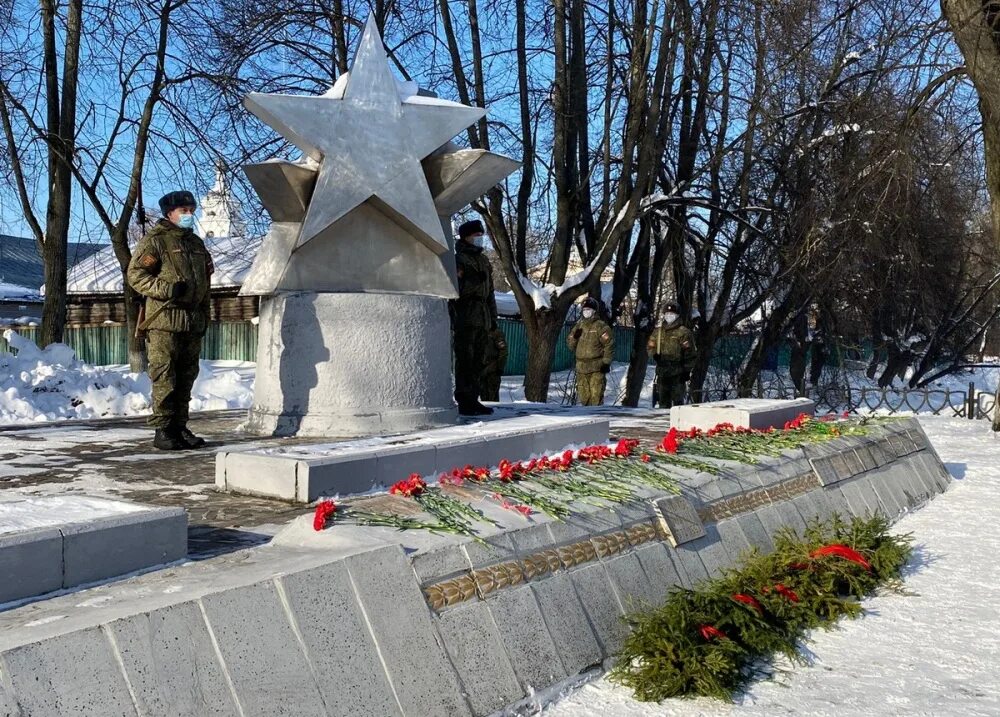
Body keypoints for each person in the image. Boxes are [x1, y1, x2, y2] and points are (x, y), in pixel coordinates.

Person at [127, 190, 214, 450]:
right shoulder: (155, 241)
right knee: (165, 375)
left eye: (191, 210)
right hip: (164, 319)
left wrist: (205, 315)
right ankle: (163, 429)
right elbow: (135, 274)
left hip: (192, 319)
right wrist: (165, 289)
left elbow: (205, 284)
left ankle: (179, 426)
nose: (189, 214)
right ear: (169, 214)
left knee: (187, 376)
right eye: (183, 211)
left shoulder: (196, 244)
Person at [451, 219, 498, 415]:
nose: (480, 239)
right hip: (466, 315)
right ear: (466, 237)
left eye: (481, 236)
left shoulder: (483, 260)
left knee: (480, 359)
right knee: (466, 359)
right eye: (476, 236)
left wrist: (492, 318)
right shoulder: (459, 259)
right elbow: (457, 289)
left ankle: (474, 398)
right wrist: (473, 282)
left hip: (483, 316)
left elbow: (490, 293)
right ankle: (464, 399)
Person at [647, 302, 697, 409]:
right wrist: (654, 354)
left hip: (678, 374)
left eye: (672, 313)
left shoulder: (683, 333)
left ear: (677, 315)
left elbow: (690, 354)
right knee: (663, 404)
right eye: (667, 313)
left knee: (678, 405)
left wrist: (687, 371)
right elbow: (650, 346)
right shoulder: (658, 332)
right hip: (662, 373)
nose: (669, 316)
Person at [567, 297, 614, 406]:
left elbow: (609, 345)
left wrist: (606, 363)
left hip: (596, 368)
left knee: (596, 399)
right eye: (584, 309)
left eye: (589, 309)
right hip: (581, 368)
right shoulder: (578, 326)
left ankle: (597, 420)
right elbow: (570, 346)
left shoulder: (601, 327)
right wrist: (574, 337)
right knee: (584, 400)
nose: (586, 312)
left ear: (594, 311)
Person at [480, 327, 508, 402]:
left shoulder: (496, 333)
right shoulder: (480, 331)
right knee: (483, 396)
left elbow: (503, 351)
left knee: (492, 398)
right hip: (482, 370)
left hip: (493, 369)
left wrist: (500, 367)